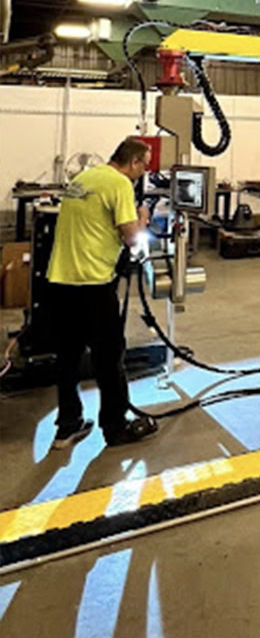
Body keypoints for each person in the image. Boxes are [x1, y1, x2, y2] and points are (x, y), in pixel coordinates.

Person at [47, 137, 159, 449]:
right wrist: (143, 218)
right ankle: (115, 427)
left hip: (60, 280)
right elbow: (131, 237)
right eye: (144, 165)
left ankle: (66, 427)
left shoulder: (83, 178)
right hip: (93, 284)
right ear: (133, 162)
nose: (143, 171)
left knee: (68, 357)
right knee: (109, 357)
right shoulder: (119, 184)